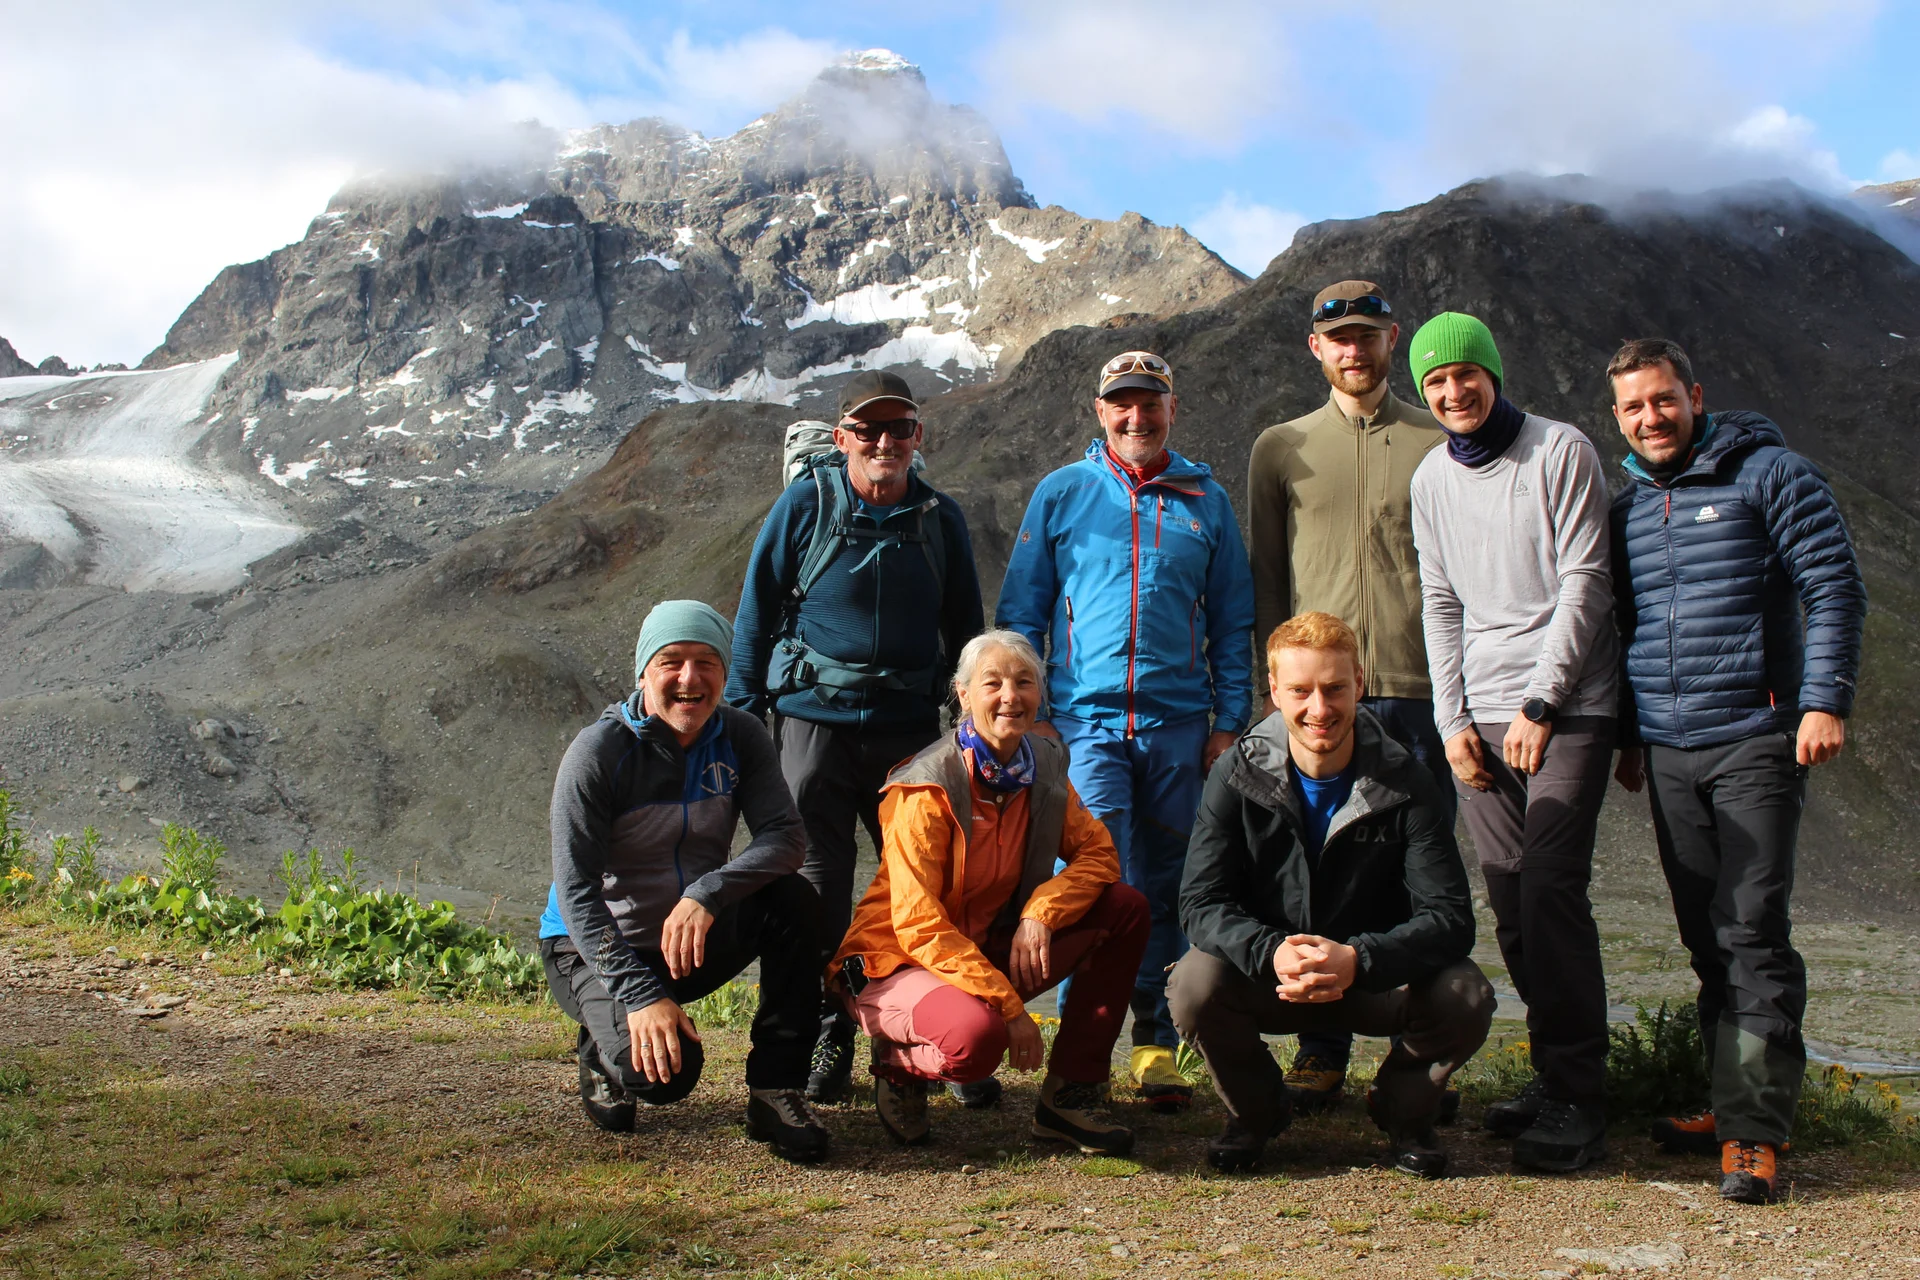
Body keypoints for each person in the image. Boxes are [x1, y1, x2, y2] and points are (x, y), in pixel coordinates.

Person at [1606, 338, 1865, 1205]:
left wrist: (1823, 701)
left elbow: (1834, 586)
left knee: (1751, 927)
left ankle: (1755, 1132)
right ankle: (1729, 1103)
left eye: (1663, 399)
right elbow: (1630, 627)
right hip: (1671, 748)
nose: (1651, 418)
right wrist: (1632, 737)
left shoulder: (1771, 474)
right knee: (1704, 934)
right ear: (1619, 417)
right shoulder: (1631, 507)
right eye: (1634, 407)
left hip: (1757, 735)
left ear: (1694, 395)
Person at [996, 349, 1256, 1112]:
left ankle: (1153, 1041)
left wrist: (1229, 721)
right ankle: (1085, 1054)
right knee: (1093, 881)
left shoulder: (1206, 501)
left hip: (1181, 726)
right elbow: (1021, 611)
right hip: (1087, 724)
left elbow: (1233, 619)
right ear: (1100, 411)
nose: (1136, 417)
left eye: (1151, 403)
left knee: (1172, 881)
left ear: (1173, 408)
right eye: (1122, 404)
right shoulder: (1063, 493)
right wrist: (1036, 713)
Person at [728, 370, 986, 1105]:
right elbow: (756, 611)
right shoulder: (805, 504)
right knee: (819, 895)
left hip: (909, 734)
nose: (883, 442)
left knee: (920, 888)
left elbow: (965, 624)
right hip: (812, 732)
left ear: (917, 437)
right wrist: (746, 723)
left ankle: (928, 1037)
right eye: (867, 430)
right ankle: (826, 1035)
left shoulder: (941, 518)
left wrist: (974, 727)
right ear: (841, 438)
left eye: (898, 429)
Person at [1170, 612, 1492, 1177]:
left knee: (1465, 992)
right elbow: (1200, 903)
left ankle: (1402, 1109)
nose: (1319, 709)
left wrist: (1358, 959)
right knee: (1193, 984)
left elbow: (1450, 918)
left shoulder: (1407, 779)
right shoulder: (1234, 772)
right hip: (1274, 976)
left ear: (1359, 684)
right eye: (1300, 691)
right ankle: (1258, 1114)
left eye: (1334, 688)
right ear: (1273, 691)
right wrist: (1271, 950)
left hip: (1371, 978)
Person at [1408, 312, 1618, 1173]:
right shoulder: (1430, 479)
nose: (1454, 392)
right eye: (1436, 382)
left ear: (1493, 372)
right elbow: (1442, 603)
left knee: (1553, 893)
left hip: (1567, 706)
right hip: (1481, 715)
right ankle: (1554, 1069)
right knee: (1509, 900)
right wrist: (1452, 721)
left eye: (1467, 374)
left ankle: (1580, 1092)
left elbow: (1587, 579)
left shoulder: (1559, 450)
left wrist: (1541, 701)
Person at [1247, 279, 1452, 1115]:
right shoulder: (1280, 447)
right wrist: (1272, 698)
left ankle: (1418, 1050)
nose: (1354, 350)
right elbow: (1267, 576)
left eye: (1368, 335)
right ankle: (1322, 1045)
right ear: (1316, 348)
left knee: (1416, 874)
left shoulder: (1438, 441)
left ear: (1391, 338)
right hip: (1315, 699)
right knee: (1319, 873)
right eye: (1339, 338)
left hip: (1416, 686)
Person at [830, 630, 1151, 1153]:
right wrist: (1009, 1007)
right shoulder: (925, 787)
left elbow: (1099, 856)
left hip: (977, 948)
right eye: (993, 683)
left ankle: (1069, 1097)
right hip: (895, 962)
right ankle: (899, 1064)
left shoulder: (1044, 769)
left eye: (1025, 683)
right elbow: (917, 925)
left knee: (1125, 908)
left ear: (1040, 694)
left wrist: (1041, 912)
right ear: (963, 694)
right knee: (978, 1043)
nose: (1011, 696)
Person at [538, 601, 830, 1162]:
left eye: (706, 662)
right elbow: (575, 894)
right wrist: (642, 994)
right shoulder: (598, 754)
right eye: (671, 662)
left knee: (794, 901)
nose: (689, 679)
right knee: (666, 1079)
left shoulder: (740, 736)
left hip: (684, 938)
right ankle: (605, 1045)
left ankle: (776, 1088)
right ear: (644, 671)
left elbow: (786, 838)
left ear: (724, 672)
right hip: (592, 946)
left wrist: (708, 892)